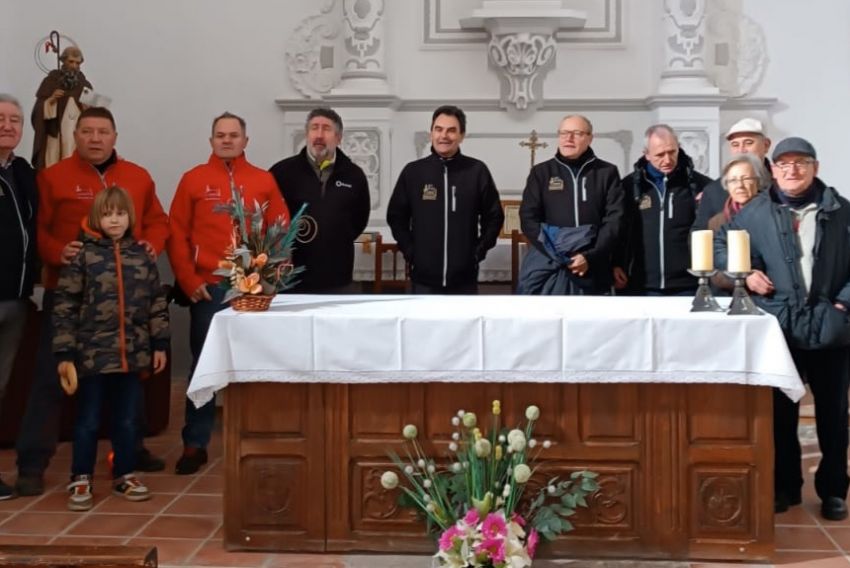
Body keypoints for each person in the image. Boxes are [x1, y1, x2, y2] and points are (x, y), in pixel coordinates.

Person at [15, 106, 170, 496]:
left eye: (103, 131)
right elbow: (38, 232)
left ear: (115, 136)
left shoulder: (137, 177)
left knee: (129, 374)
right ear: (77, 135)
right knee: (52, 379)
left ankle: (130, 451)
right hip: (70, 299)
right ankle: (32, 462)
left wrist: (151, 246)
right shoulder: (53, 178)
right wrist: (56, 252)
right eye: (87, 131)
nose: (95, 138)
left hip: (126, 301)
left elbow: (158, 221)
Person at [715, 137, 850, 521]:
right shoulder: (756, 212)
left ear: (816, 167)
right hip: (780, 329)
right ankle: (785, 486)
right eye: (784, 164)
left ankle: (833, 490)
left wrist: (842, 305)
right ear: (772, 169)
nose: (793, 170)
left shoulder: (841, 211)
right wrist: (746, 274)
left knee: (833, 416)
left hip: (831, 329)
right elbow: (722, 245)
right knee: (780, 415)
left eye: (801, 163)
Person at [168, 112, 289, 475]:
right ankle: (195, 442)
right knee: (204, 365)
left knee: (257, 363)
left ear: (245, 141)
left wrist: (271, 276)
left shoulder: (263, 180)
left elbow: (281, 229)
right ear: (211, 141)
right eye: (220, 135)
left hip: (252, 289)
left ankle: (262, 436)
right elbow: (176, 234)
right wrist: (189, 281)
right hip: (208, 288)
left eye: (233, 135)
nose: (226, 140)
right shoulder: (193, 180)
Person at [53, 186, 169, 511]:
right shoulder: (83, 257)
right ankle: (80, 477)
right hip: (91, 356)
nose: (114, 220)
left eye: (120, 213)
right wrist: (64, 354)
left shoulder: (142, 256)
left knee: (128, 419)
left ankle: (125, 474)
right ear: (96, 218)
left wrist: (159, 344)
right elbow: (65, 306)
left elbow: (156, 304)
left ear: (129, 216)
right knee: (88, 420)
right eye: (107, 214)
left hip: (132, 356)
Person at [387, 105, 503, 294]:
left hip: (464, 279)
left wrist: (478, 252)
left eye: (451, 130)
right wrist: (411, 252)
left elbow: (494, 216)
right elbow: (396, 216)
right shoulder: (413, 172)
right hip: (423, 279)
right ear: (431, 133)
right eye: (438, 129)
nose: (444, 136)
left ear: (462, 135)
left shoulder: (476, 171)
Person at [518, 114, 623, 295]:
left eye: (577, 133)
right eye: (564, 133)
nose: (569, 138)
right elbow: (528, 218)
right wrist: (560, 254)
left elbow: (614, 220)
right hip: (551, 265)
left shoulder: (607, 172)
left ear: (590, 137)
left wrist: (589, 256)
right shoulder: (541, 173)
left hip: (593, 267)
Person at [269, 108, 370, 293]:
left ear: (339, 137)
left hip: (338, 277)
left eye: (327, 129)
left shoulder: (354, 175)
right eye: (314, 128)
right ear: (307, 134)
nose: (320, 135)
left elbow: (359, 219)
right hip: (290, 278)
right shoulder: (281, 172)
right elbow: (270, 218)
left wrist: (335, 238)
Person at [614, 124, 711, 295]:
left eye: (672, 152)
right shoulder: (628, 187)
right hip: (640, 285)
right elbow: (618, 229)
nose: (667, 160)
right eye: (660, 155)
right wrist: (615, 264)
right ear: (647, 154)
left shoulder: (702, 186)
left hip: (689, 285)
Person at [0, 94, 38, 500]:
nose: (8, 126)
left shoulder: (22, 173)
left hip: (16, 298)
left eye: (14, 120)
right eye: (1, 119)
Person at [693, 118, 772, 230]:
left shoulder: (780, 185)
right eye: (735, 145)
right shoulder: (714, 191)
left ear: (766, 145)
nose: (741, 150)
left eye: (748, 143)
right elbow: (699, 233)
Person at [707, 153, 770, 291]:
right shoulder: (717, 222)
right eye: (733, 180)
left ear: (758, 181)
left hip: (770, 293)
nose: (740, 185)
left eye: (746, 178)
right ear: (727, 185)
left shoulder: (774, 214)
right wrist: (744, 277)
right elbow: (714, 271)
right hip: (730, 297)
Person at [31, 46, 94, 171]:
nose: (74, 66)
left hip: (76, 136)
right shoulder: (51, 81)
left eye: (77, 63)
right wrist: (51, 100)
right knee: (53, 167)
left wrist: (87, 110)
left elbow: (92, 116)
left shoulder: (85, 85)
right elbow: (38, 109)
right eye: (71, 62)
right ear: (63, 61)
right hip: (55, 134)